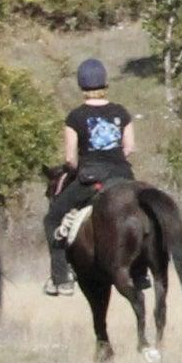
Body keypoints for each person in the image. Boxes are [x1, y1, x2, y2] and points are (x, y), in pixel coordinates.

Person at [48, 59, 133, 249]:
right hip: (123, 175)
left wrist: (75, 168)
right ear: (105, 83)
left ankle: (61, 276)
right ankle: (141, 275)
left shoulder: (75, 116)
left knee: (52, 217)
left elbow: (70, 160)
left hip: (92, 179)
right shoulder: (121, 112)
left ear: (81, 85)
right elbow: (129, 148)